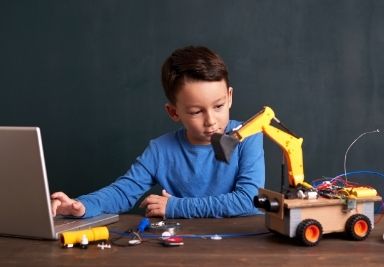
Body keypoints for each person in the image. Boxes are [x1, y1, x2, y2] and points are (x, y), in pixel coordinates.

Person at [51, 46, 265, 219]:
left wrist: (176, 207)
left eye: (218, 106)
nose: (211, 121)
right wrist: (81, 205)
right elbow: (123, 192)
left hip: (241, 244)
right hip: (185, 244)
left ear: (229, 97)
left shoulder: (248, 136)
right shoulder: (161, 150)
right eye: (196, 111)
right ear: (173, 112)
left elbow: (249, 200)